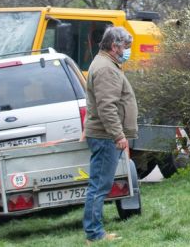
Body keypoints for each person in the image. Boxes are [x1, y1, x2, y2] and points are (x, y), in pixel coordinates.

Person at [83, 27, 139, 243]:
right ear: (114, 46)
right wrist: (118, 135)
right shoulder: (106, 68)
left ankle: (94, 232)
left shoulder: (105, 64)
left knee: (99, 185)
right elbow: (107, 107)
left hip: (104, 135)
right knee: (99, 186)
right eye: (126, 47)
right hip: (106, 137)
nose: (128, 52)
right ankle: (94, 234)